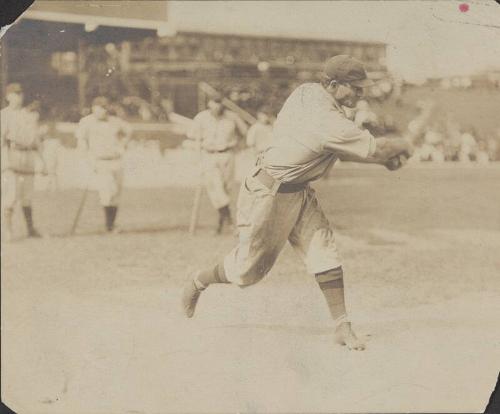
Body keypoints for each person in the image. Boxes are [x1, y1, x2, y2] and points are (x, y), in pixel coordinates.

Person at [181, 55, 412, 351]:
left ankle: (342, 326)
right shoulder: (326, 118)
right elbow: (375, 147)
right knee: (245, 272)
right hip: (267, 194)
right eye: (354, 87)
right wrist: (406, 146)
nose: (360, 93)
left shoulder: (308, 92)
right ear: (331, 84)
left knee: (324, 251)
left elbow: (337, 147)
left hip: (298, 190)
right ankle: (198, 280)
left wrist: (381, 163)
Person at [188, 94, 248, 235]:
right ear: (209, 103)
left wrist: (238, 145)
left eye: (219, 103)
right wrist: (198, 153)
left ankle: (220, 225)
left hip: (227, 154)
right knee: (215, 189)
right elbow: (192, 135)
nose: (217, 106)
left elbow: (244, 132)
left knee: (226, 189)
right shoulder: (201, 118)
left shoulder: (231, 117)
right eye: (214, 103)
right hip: (209, 155)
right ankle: (230, 222)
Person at [75, 96, 132, 233]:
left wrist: (123, 145)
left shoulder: (114, 121)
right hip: (100, 161)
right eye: (99, 107)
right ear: (93, 108)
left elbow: (129, 130)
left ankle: (112, 224)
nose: (102, 110)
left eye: (104, 107)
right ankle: (109, 226)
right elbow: (81, 141)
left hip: (116, 160)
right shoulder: (86, 122)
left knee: (116, 194)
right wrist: (88, 159)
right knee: (107, 192)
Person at [1, 84, 45, 242]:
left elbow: (37, 140)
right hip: (12, 156)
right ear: (8, 96)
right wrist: (3, 161)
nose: (18, 97)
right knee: (10, 197)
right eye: (14, 94)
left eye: (20, 94)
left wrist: (43, 162)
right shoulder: (4, 115)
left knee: (27, 197)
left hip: (28, 157)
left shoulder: (28, 115)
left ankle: (31, 229)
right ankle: (8, 231)